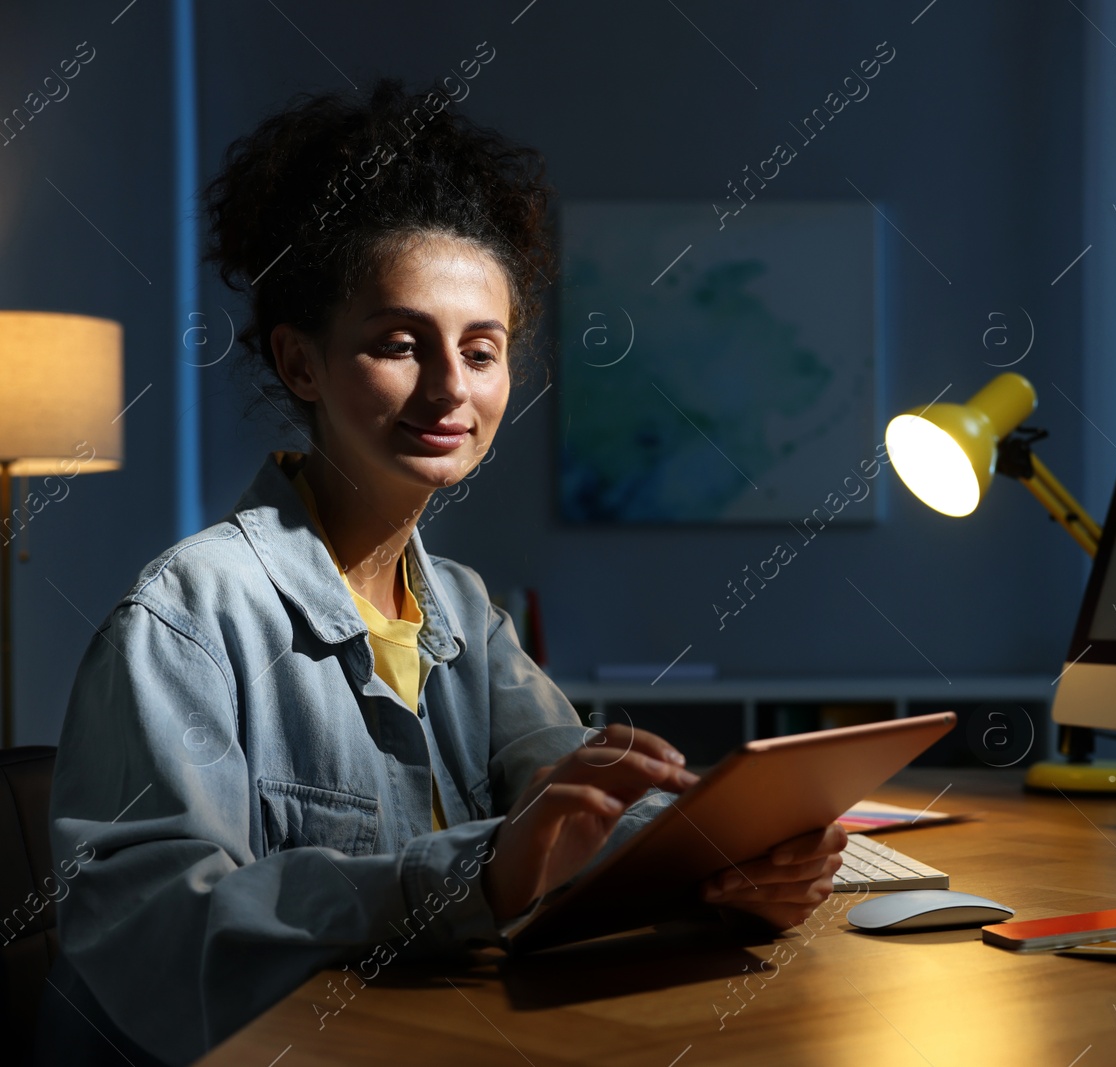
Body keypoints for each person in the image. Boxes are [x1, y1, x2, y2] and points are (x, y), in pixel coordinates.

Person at [38, 78, 847, 1066]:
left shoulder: (465, 610)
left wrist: (720, 864)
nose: (451, 388)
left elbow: (568, 783)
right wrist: (477, 871)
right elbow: (154, 940)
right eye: (397, 343)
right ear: (300, 363)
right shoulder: (185, 617)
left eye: (482, 348)